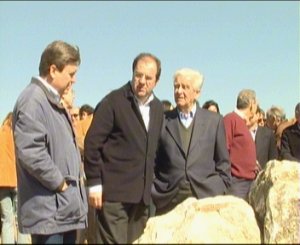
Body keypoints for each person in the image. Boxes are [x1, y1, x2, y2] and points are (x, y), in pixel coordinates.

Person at [12, 40, 88, 244]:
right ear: (53, 70)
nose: (74, 80)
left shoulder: (51, 100)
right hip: (49, 211)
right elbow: (31, 153)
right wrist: (61, 184)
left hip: (63, 210)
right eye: (71, 74)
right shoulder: (33, 100)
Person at [84, 53, 164, 243]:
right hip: (114, 197)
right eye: (138, 75)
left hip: (142, 199)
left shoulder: (158, 109)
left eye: (148, 78)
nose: (142, 81)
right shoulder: (113, 102)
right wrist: (94, 183)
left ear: (157, 81)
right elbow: (92, 143)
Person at [152, 68, 231, 215]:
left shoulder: (214, 121)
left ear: (197, 92)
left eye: (185, 87)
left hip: (205, 198)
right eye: (176, 86)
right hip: (168, 199)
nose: (179, 91)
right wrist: (155, 189)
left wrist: (219, 187)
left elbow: (223, 163)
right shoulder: (162, 120)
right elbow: (153, 160)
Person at [0, 112, 31, 244]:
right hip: (19, 180)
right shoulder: (19, 136)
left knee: (6, 220)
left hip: (1, 182)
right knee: (21, 219)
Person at [223, 89, 258, 201]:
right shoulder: (230, 119)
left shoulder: (242, 123)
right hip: (237, 183)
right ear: (252, 104)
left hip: (248, 182)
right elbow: (224, 149)